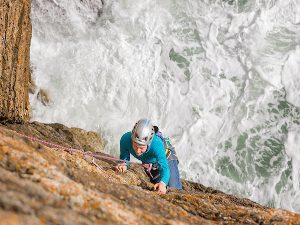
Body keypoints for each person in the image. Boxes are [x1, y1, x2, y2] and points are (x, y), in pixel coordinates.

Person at [116, 118, 182, 194]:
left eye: (141, 147)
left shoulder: (157, 145)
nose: (137, 151)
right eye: (135, 145)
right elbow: (124, 158)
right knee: (156, 187)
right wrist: (123, 165)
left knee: (173, 190)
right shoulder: (126, 139)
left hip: (167, 158)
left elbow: (164, 167)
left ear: (148, 143)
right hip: (151, 161)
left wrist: (163, 183)